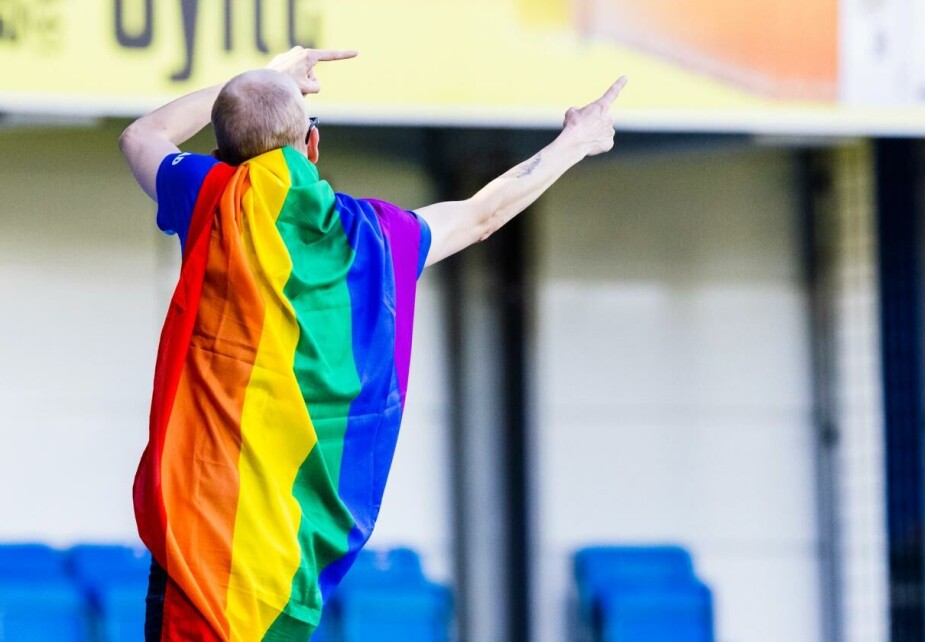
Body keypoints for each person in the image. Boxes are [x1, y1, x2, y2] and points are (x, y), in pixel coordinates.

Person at [120, 45, 625, 641]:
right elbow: (480, 216)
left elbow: (143, 134)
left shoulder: (207, 197)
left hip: (192, 559)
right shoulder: (378, 239)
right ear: (312, 146)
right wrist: (575, 142)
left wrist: (262, 81)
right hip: (284, 573)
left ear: (220, 155)